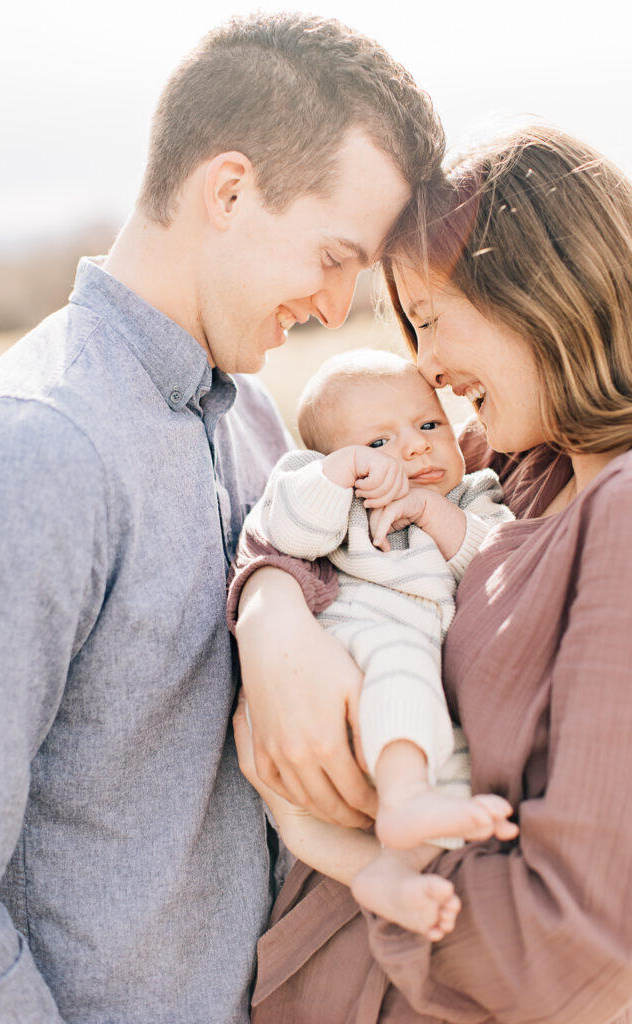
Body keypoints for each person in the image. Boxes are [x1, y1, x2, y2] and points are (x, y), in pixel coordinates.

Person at [0, 14, 444, 1024]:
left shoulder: (255, 421)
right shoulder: (36, 449)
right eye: (333, 254)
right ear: (228, 190)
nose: (338, 302)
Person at [229, 123, 632, 1022]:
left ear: (539, 295)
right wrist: (270, 617)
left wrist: (381, 869)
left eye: (428, 317)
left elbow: (575, 957)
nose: (423, 367)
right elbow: (308, 517)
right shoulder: (531, 466)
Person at [238, 350, 517, 941]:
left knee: (457, 765)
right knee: (401, 658)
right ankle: (406, 801)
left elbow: (499, 570)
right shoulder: (326, 493)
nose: (415, 448)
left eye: (427, 425)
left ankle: (386, 872)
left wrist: (435, 514)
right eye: (379, 442)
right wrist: (338, 474)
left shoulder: (474, 498)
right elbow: (284, 529)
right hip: (345, 654)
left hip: (411, 701)